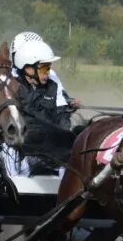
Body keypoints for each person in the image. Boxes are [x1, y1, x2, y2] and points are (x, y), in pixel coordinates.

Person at [10, 35, 76, 175]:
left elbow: (63, 118)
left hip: (52, 146)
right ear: (28, 69)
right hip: (23, 147)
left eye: (49, 68)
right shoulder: (12, 87)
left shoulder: (53, 86)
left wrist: (64, 140)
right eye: (44, 68)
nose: (48, 73)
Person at [11, 31, 81, 108]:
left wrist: (69, 102)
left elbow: (61, 98)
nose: (47, 72)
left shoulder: (51, 75)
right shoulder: (10, 79)